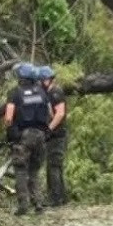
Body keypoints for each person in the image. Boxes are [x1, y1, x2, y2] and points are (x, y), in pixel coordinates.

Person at [4, 63, 50, 216]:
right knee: (35, 171)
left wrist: (11, 133)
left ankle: (23, 205)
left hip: (23, 135)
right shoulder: (42, 92)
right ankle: (38, 203)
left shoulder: (15, 93)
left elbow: (9, 117)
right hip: (40, 135)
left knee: (21, 171)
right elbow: (50, 113)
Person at [38, 65, 68, 207]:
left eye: (41, 80)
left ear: (47, 80)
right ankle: (61, 196)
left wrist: (49, 129)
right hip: (53, 135)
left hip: (57, 135)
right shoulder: (48, 93)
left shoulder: (56, 92)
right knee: (54, 165)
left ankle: (55, 198)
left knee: (54, 166)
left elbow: (60, 113)